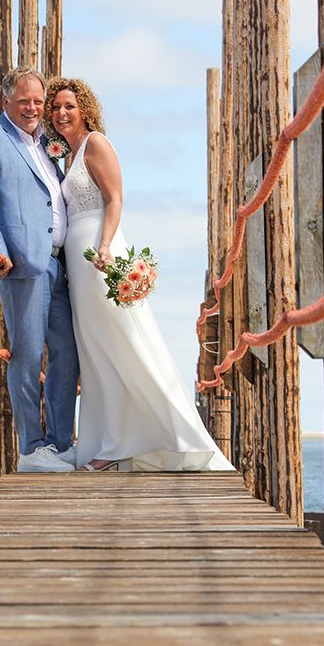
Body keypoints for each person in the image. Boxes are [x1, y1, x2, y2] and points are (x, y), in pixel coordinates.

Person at [44, 76, 235, 472]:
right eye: (56, 107)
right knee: (96, 351)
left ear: (84, 110)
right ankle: (109, 442)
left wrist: (106, 246)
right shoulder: (67, 153)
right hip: (77, 263)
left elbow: (114, 198)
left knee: (126, 341)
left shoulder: (96, 143)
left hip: (99, 251)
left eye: (69, 106)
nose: (61, 113)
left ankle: (160, 435)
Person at [0, 67, 80, 473]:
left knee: (67, 353)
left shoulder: (48, 143)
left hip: (59, 264)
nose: (33, 108)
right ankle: (31, 449)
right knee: (27, 354)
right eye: (24, 102)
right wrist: (1, 250)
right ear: (6, 102)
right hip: (23, 264)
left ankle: (59, 442)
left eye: (38, 101)